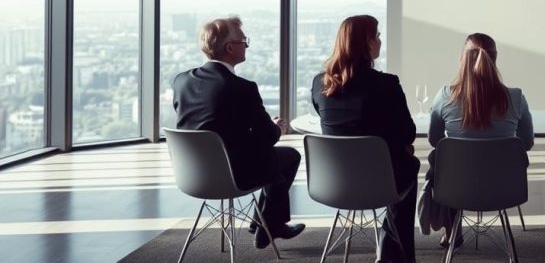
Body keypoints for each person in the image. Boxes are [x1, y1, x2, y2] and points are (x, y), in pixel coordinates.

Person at [172, 16, 304, 249]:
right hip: (233, 175)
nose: (246, 46)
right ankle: (269, 226)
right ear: (230, 47)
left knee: (270, 158)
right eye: (244, 41)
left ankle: (265, 225)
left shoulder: (181, 81)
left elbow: (200, 124)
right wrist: (278, 127)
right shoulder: (242, 88)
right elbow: (268, 137)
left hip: (192, 174)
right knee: (289, 156)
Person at [311, 15, 420, 263]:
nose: (380, 41)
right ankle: (396, 253)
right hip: (380, 181)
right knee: (409, 164)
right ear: (366, 43)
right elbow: (408, 132)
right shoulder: (386, 84)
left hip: (334, 182)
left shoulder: (320, 83)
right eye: (377, 36)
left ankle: (392, 251)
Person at [425, 33, 534, 247]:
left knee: (442, 159)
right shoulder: (516, 98)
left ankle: (451, 230)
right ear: (495, 58)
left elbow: (434, 139)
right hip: (503, 187)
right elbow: (526, 142)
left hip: (456, 188)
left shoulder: (445, 96)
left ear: (462, 58)